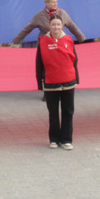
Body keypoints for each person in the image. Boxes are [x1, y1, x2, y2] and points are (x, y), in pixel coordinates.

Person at [36, 16, 78, 150]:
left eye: (58, 25)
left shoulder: (68, 40)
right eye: (53, 25)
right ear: (49, 26)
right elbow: (39, 64)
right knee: (53, 112)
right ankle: (54, 139)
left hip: (68, 82)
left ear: (62, 26)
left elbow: (74, 61)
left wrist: (76, 78)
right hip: (50, 83)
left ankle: (66, 140)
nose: (56, 27)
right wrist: (39, 82)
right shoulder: (43, 41)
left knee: (68, 111)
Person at [12, 0, 86, 44]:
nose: (55, 4)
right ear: (46, 3)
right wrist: (16, 41)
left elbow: (73, 27)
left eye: (56, 2)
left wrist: (82, 39)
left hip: (60, 42)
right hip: (44, 43)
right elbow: (27, 29)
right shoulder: (39, 15)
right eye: (53, 2)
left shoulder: (63, 13)